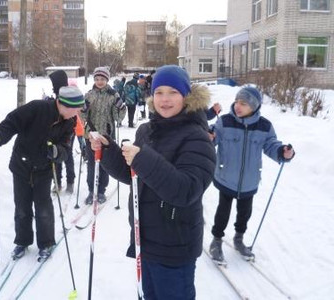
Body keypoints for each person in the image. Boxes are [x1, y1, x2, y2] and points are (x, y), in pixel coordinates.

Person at [88, 65, 216, 299]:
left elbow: (186, 190)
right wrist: (108, 150)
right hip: (144, 241)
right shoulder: (147, 130)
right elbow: (134, 175)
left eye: (173, 92)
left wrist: (142, 158)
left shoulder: (197, 137)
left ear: (186, 95)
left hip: (175, 247)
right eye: (159, 92)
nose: (165, 99)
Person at [0, 85, 85, 261]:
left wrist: (56, 152)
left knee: (43, 209)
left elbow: (65, 148)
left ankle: (46, 243)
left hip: (44, 169)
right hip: (21, 166)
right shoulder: (37, 108)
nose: (77, 114)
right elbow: (12, 121)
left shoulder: (69, 122)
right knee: (22, 207)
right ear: (65, 105)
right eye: (76, 109)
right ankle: (22, 241)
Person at [208, 86, 295, 264]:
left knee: (244, 213)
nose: (238, 106)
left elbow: (271, 145)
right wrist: (209, 136)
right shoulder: (225, 122)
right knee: (223, 212)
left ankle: (238, 239)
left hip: (249, 181)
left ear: (254, 107)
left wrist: (283, 153)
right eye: (237, 102)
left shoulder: (264, 126)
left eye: (244, 104)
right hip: (226, 177)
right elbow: (213, 136)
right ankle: (216, 241)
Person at [81, 66, 126, 205]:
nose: (99, 81)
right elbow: (82, 116)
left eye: (102, 79)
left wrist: (120, 108)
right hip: (91, 135)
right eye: (97, 79)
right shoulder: (88, 95)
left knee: (104, 164)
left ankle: (101, 191)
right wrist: (82, 110)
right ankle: (91, 190)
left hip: (107, 135)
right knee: (92, 164)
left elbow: (118, 117)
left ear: (107, 79)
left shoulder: (113, 95)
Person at [45, 71, 77, 194]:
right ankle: (57, 182)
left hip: (67, 131)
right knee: (55, 156)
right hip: (53, 132)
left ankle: (70, 182)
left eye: (54, 81)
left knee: (67, 156)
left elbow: (73, 112)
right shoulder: (56, 93)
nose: (53, 84)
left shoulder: (67, 93)